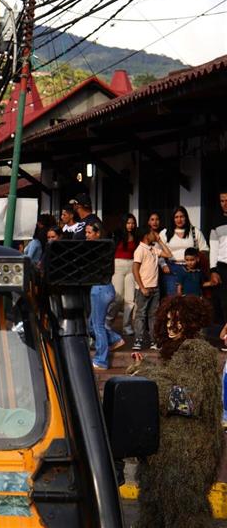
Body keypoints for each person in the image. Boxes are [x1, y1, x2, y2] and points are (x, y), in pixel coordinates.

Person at [127, 296, 222, 528]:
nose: (171, 326)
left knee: (186, 517)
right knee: (156, 514)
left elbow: (185, 401)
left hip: (185, 458)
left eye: (178, 320)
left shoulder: (197, 351)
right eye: (168, 320)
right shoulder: (175, 354)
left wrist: (145, 375)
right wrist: (146, 369)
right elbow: (169, 383)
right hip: (165, 456)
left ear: (192, 321)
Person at [87, 223, 124, 370]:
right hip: (104, 289)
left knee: (97, 326)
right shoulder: (102, 249)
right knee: (91, 326)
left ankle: (101, 360)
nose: (87, 235)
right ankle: (115, 339)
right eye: (86, 232)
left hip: (101, 289)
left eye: (89, 232)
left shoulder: (100, 249)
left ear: (97, 233)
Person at [132, 228, 172, 351]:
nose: (155, 235)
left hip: (155, 288)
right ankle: (138, 339)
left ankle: (153, 340)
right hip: (144, 288)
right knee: (141, 314)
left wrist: (160, 241)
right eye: (152, 233)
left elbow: (168, 254)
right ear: (146, 235)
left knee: (153, 315)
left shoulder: (153, 249)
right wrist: (142, 287)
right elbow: (135, 270)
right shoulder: (140, 250)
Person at [160, 206, 209, 297]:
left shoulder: (194, 231)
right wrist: (163, 265)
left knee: (191, 298)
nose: (179, 219)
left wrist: (197, 260)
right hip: (172, 269)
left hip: (191, 270)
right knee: (173, 299)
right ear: (172, 218)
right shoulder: (165, 233)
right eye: (176, 217)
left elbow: (204, 249)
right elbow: (158, 251)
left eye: (182, 216)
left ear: (186, 217)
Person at [111, 214, 139, 336]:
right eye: (128, 223)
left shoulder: (137, 236)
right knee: (117, 297)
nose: (131, 225)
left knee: (130, 299)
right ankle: (107, 322)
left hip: (131, 266)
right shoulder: (117, 235)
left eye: (133, 223)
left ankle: (127, 326)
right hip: (118, 265)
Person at [208, 191, 227, 345]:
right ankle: (224, 339)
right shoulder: (216, 221)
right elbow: (213, 248)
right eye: (222, 201)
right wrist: (213, 270)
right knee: (223, 303)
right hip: (222, 267)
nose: (225, 203)